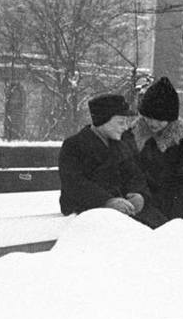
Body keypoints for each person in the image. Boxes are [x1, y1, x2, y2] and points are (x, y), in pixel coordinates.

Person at [59, 94, 168, 229]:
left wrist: (140, 196)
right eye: (121, 122)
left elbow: (135, 175)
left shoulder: (120, 145)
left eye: (126, 122)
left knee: (165, 229)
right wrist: (106, 201)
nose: (125, 127)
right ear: (102, 121)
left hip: (123, 208)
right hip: (90, 209)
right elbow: (74, 183)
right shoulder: (74, 145)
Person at [123, 77, 183, 222]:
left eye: (159, 120)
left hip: (172, 210)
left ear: (170, 119)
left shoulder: (182, 142)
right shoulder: (131, 135)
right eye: (149, 118)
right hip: (137, 206)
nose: (153, 123)